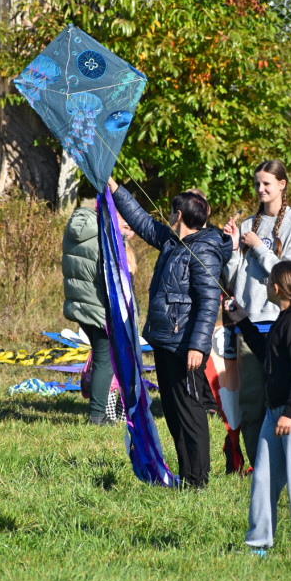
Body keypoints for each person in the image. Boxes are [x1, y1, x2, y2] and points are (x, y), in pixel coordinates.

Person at [108, 176, 231, 487]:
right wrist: (113, 187)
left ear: (179, 215)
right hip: (164, 341)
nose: (166, 216)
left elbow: (207, 303)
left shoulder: (204, 250)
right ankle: (187, 475)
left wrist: (198, 347)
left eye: (171, 212)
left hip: (185, 346)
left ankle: (198, 481)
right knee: (175, 414)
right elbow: (140, 220)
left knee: (190, 413)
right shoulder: (172, 241)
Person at [227, 260, 291, 559]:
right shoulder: (285, 319)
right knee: (264, 477)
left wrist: (290, 411)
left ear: (275, 287)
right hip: (280, 410)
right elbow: (266, 356)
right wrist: (243, 321)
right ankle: (258, 544)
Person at [222, 160, 291, 467]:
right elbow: (236, 276)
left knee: (278, 397)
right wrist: (235, 248)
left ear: (282, 185)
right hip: (249, 322)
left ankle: (286, 460)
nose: (261, 189)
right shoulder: (249, 224)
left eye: (267, 184)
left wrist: (259, 247)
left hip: (279, 322)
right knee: (250, 400)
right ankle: (258, 463)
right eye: (257, 184)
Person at [62, 204, 114, 425]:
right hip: (97, 307)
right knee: (105, 360)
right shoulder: (101, 236)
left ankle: (98, 411)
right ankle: (97, 416)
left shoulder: (75, 230)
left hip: (80, 305)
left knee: (101, 357)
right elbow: (105, 274)